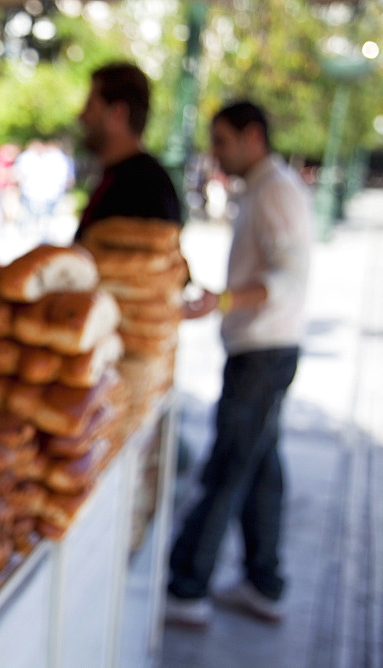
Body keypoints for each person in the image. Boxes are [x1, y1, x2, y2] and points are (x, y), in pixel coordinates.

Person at [166, 101, 313, 627]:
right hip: (263, 349)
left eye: (222, 142)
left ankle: (187, 583)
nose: (216, 154)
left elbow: (288, 279)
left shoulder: (276, 191)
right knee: (260, 467)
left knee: (227, 464)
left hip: (263, 351)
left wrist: (221, 302)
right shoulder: (266, 189)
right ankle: (262, 580)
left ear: (254, 136)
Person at [75, 62, 182, 240]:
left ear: (118, 114)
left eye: (90, 106)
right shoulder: (122, 176)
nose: (81, 116)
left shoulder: (145, 187)